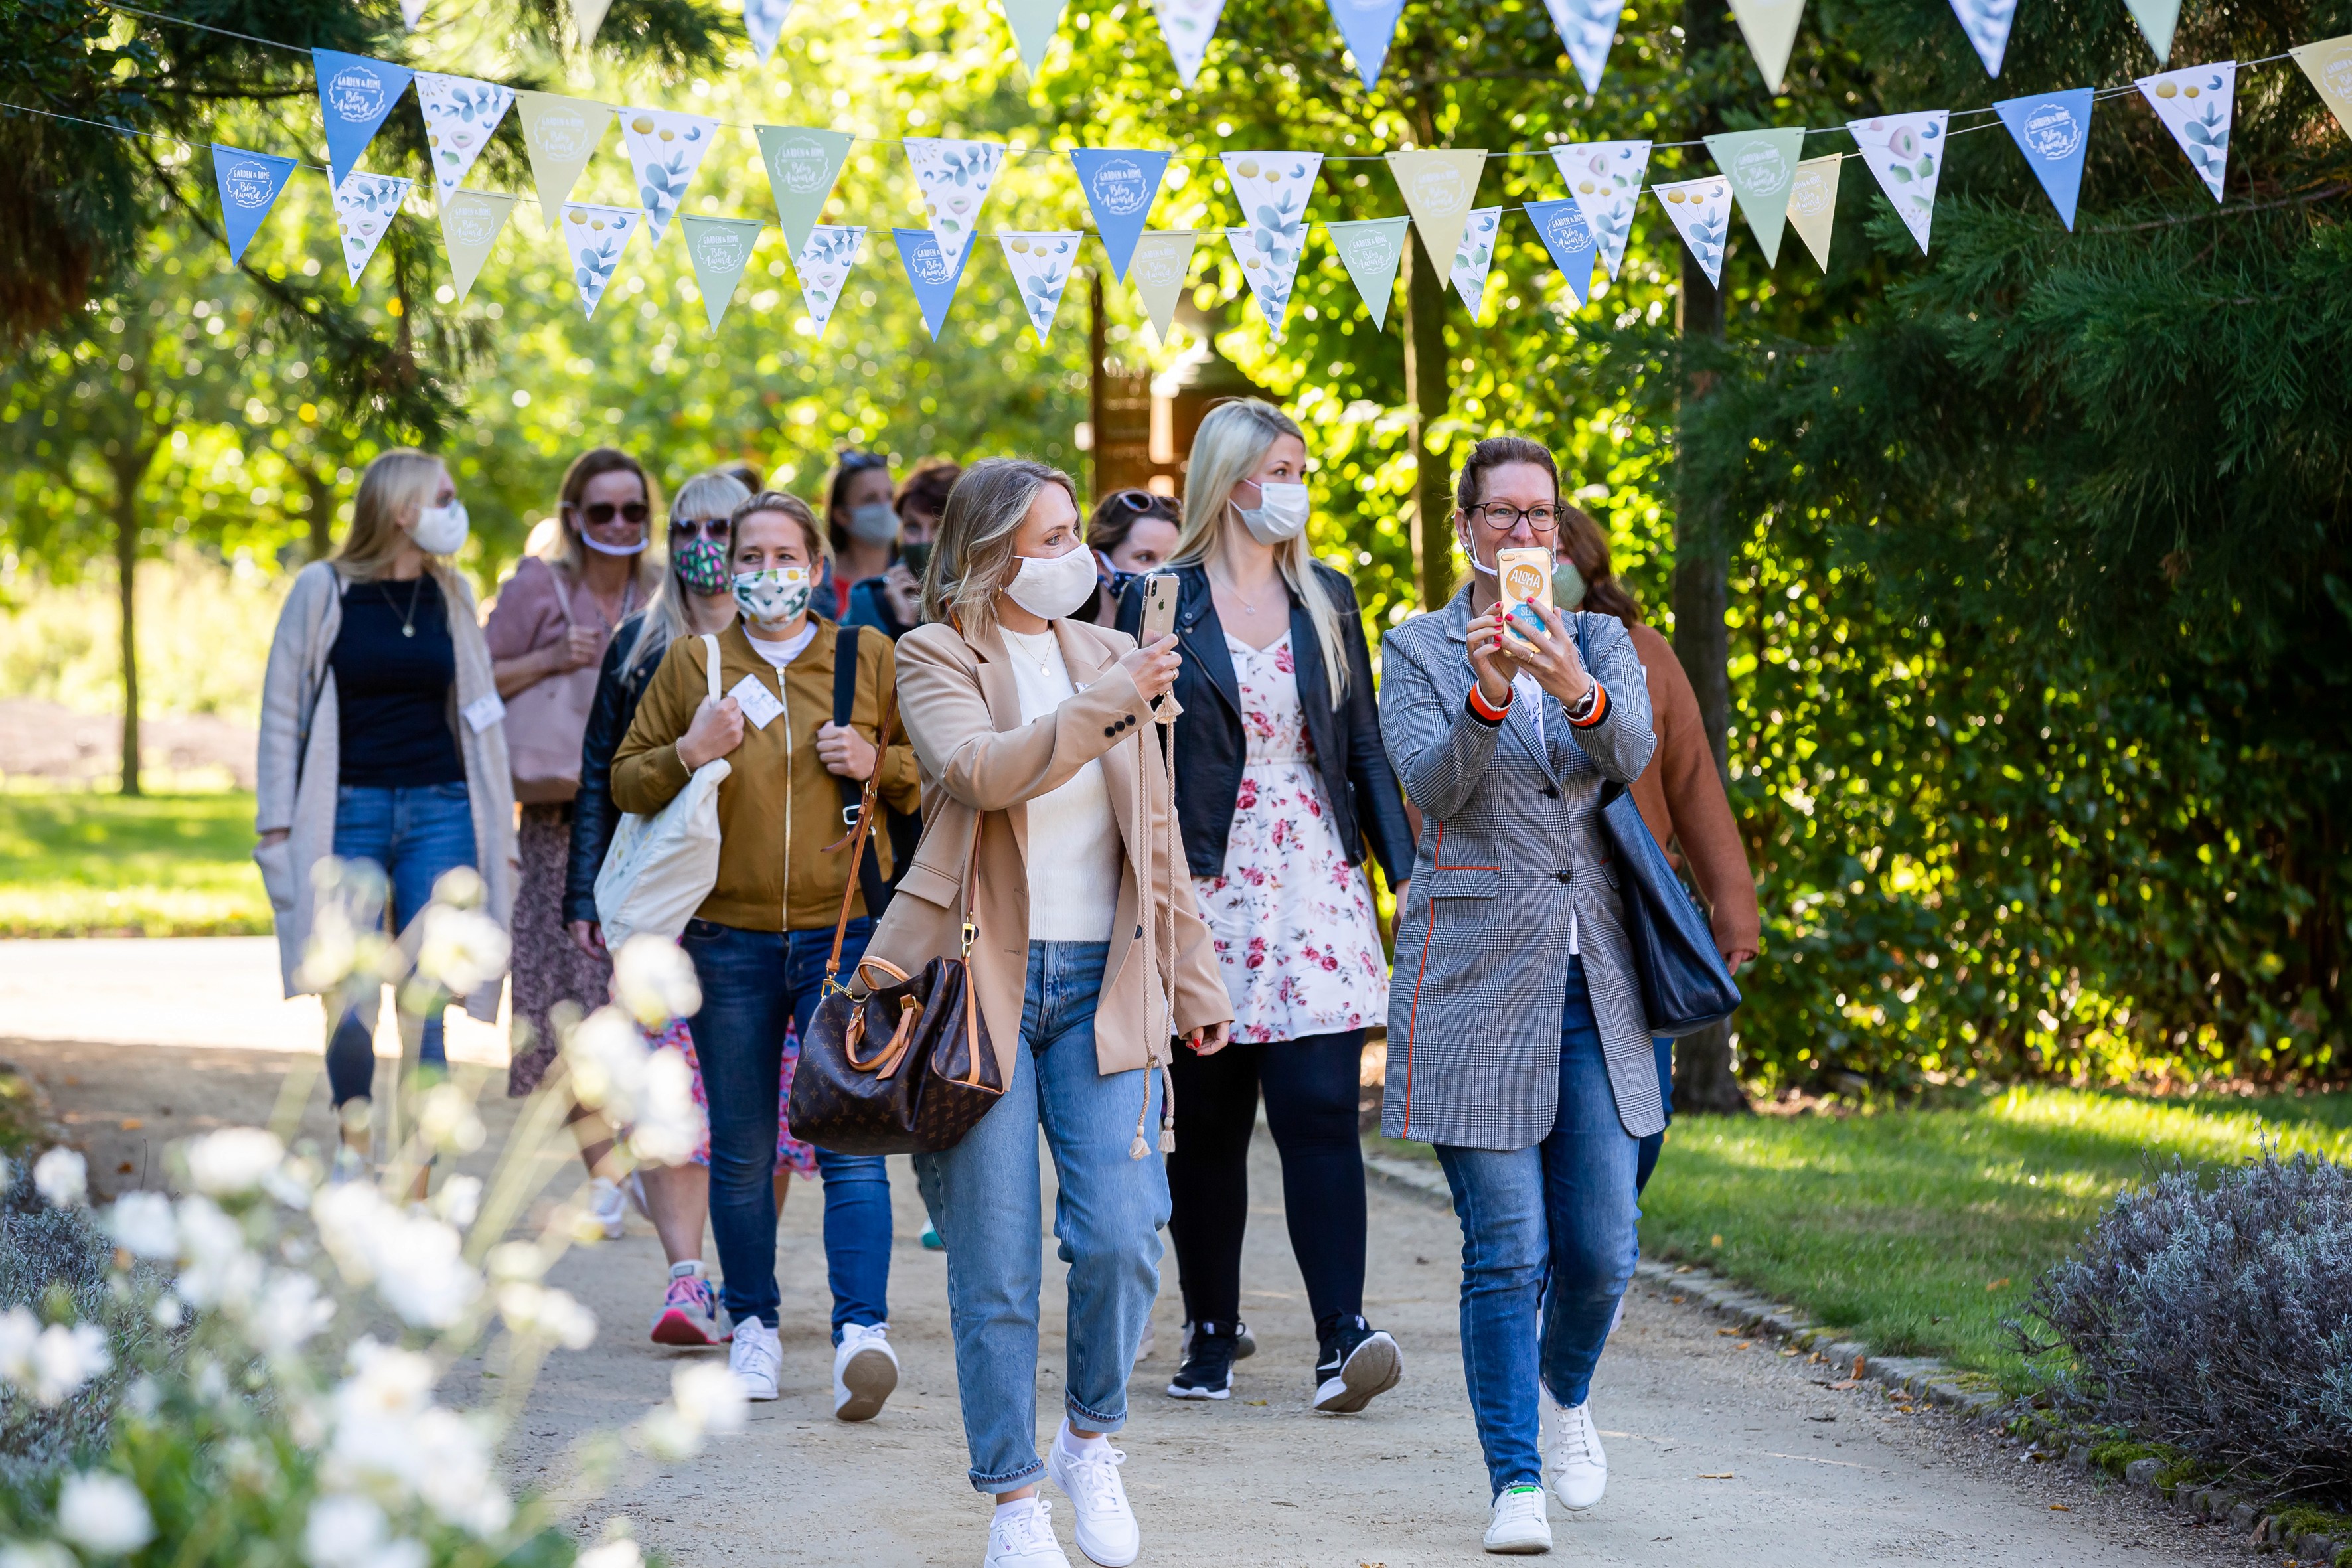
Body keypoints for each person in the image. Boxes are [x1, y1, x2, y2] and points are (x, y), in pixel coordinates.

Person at [874, 457, 1232, 1568]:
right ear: (987, 554)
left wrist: (1196, 976)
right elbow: (982, 772)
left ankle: (1088, 1439)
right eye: (1048, 537)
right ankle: (1014, 1496)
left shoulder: (1108, 655)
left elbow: (1154, 834)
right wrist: (1101, 705)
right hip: (981, 984)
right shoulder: (934, 653)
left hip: (1105, 981)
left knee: (1124, 1233)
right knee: (994, 1259)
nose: (1073, 554)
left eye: (1076, 531)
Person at [1375, 435, 1657, 1555]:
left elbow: (1629, 749)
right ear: (1463, 529)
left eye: (1539, 514)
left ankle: (1563, 1389)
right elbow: (1431, 792)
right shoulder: (1416, 647)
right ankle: (1515, 1481)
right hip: (1472, 976)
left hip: (1596, 974)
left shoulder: (1599, 639)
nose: (1523, 534)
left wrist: (1568, 686)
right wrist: (1488, 698)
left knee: (1601, 1247)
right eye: (1499, 515)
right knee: (1506, 1245)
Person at [1115, 398, 1414, 1412]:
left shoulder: (1326, 596)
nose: (1291, 485)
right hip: (1200, 884)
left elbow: (1363, 743)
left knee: (1320, 1109)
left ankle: (1341, 1336)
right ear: (1228, 480)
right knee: (1206, 1122)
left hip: (1312, 885)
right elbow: (1126, 750)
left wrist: (1400, 869)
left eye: (1299, 468)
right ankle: (1209, 1331)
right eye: (1275, 467)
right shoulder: (1158, 602)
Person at [610, 489, 920, 1413]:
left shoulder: (867, 656)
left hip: (842, 931)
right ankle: (751, 1324)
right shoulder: (694, 660)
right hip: (725, 938)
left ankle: (860, 1331)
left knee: (850, 1142)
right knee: (742, 1148)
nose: (766, 570)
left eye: (786, 554)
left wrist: (877, 765)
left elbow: (928, 774)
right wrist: (690, 750)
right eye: (751, 552)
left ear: (818, 565)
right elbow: (626, 778)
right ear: (728, 563)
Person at [562, 468, 823, 1348]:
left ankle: (748, 1275)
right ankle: (685, 1276)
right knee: (673, 1091)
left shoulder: (810, 652)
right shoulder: (645, 646)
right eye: (689, 529)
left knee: (770, 1102)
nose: (706, 547)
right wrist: (582, 895)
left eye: (726, 530)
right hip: (671, 912)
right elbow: (604, 777)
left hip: (775, 914)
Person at [254, 449, 518, 1176]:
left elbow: (479, 710)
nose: (454, 508)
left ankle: (421, 1166)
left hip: (441, 807)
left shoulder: (453, 592)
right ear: (402, 509)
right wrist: (275, 824)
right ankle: (354, 1142)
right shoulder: (323, 589)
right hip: (348, 811)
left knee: (429, 991)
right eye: (444, 496)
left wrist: (500, 816)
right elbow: (282, 712)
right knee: (350, 989)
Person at [1553, 506, 1759, 1195]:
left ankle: (1592, 1263)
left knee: (1647, 1119)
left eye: (1559, 551)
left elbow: (1694, 778)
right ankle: (1555, 1265)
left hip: (1635, 913)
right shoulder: (1470, 648)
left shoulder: (1645, 653)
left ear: (1587, 565)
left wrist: (1733, 904)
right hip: (1525, 916)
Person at [486, 448, 665, 1235]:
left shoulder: (663, 591)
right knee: (562, 1007)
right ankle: (605, 1173)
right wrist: (548, 659)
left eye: (634, 510)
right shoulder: (536, 587)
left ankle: (630, 1164)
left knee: (635, 1006)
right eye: (604, 512)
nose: (621, 525)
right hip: (559, 819)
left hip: (647, 820)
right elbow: (473, 682)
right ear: (573, 519)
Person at [847, 457, 959, 640]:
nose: (925, 540)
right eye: (913, 527)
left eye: (938, 527)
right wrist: (903, 623)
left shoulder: (991, 597)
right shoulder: (870, 601)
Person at [1081, 488, 1182, 626]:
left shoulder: (1190, 643)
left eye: (1172, 559)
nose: (1163, 571)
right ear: (1099, 563)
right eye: (1145, 558)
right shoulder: (1064, 643)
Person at [823, 449, 897, 621]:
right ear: (842, 515)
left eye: (890, 496)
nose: (885, 507)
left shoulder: (917, 576)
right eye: (870, 499)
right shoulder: (816, 583)